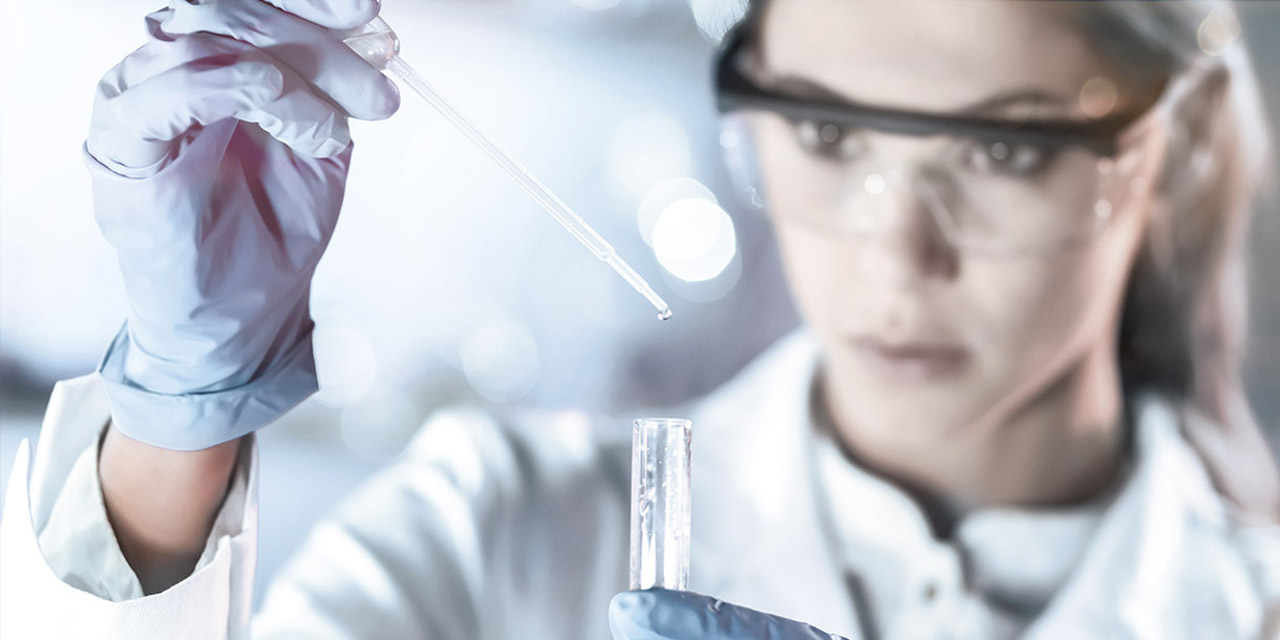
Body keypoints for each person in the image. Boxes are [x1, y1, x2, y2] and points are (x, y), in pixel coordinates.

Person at [2, 0, 1278, 637]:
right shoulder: (497, 529)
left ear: (1168, 151)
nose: (895, 248)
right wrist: (180, 402)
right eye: (827, 132)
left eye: (1001, 149)